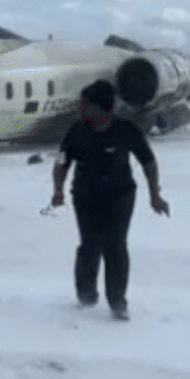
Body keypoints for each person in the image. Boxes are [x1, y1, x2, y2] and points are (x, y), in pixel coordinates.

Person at [50, 79, 170, 321]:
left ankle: (117, 301)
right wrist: (58, 189)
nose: (80, 108)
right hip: (85, 196)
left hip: (119, 197)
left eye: (84, 104)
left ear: (101, 107)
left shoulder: (126, 130)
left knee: (115, 246)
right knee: (89, 246)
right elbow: (62, 161)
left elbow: (148, 162)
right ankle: (86, 296)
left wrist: (154, 194)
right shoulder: (77, 130)